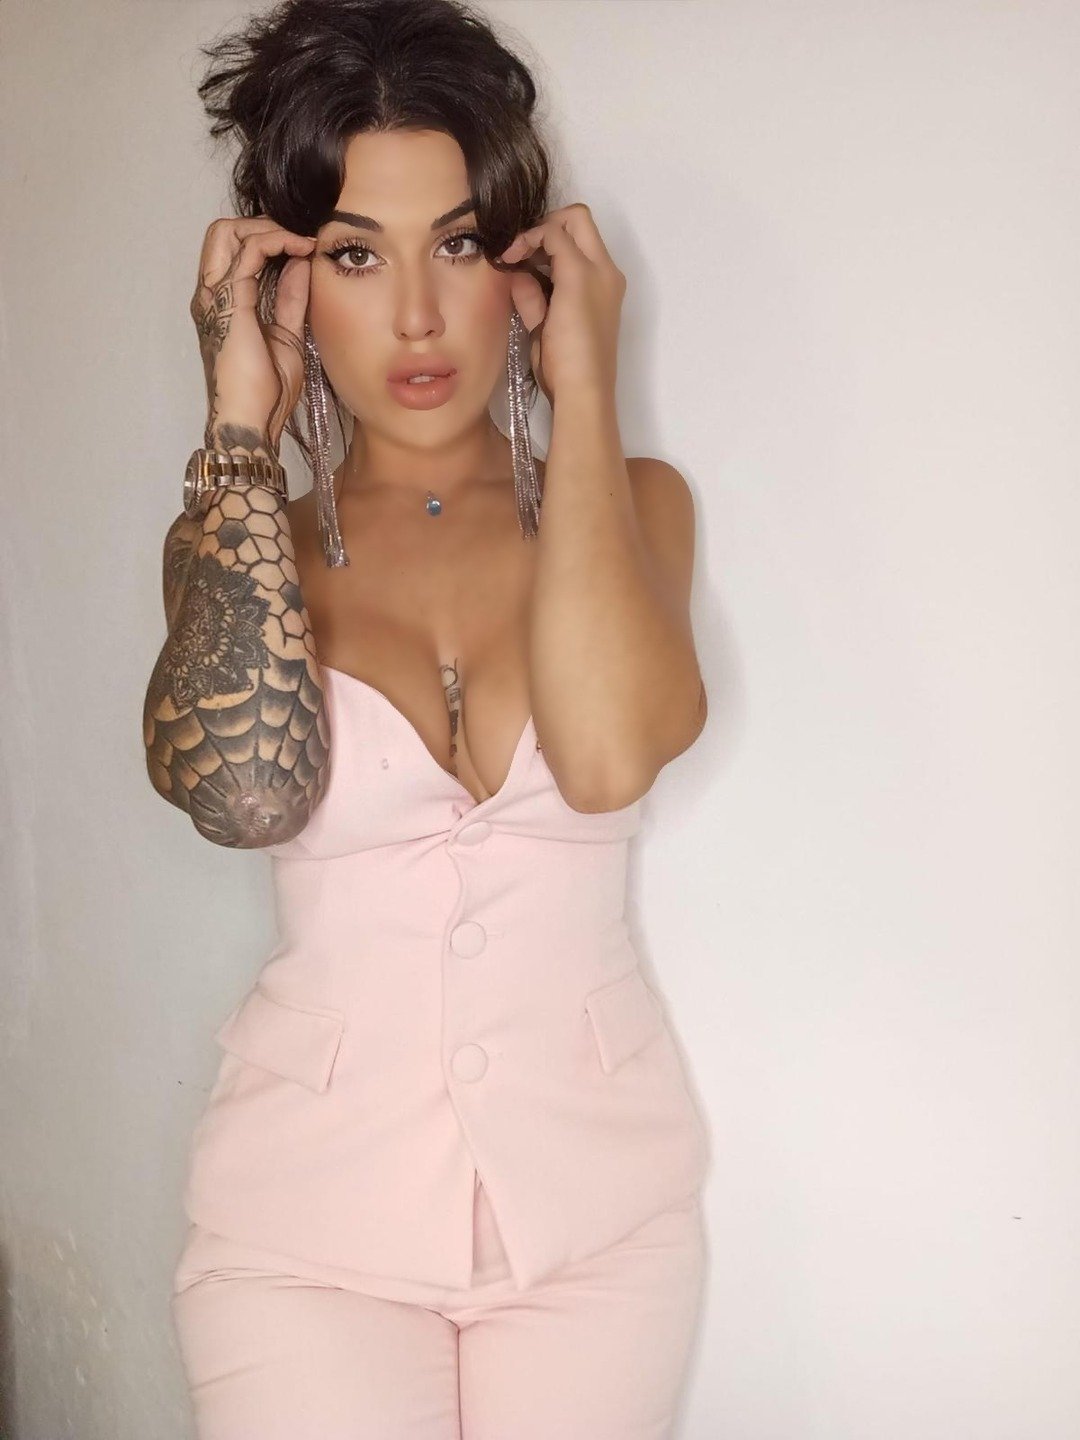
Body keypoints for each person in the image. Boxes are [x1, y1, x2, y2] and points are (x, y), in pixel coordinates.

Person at [144, 1, 712, 1434]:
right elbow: (246, 800)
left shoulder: (636, 506)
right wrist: (237, 430)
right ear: (286, 282)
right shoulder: (239, 544)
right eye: (355, 254)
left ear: (522, 261)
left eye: (456, 246)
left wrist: (584, 388)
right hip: (300, 1233)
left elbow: (602, 761)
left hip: (595, 1226)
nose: (414, 314)